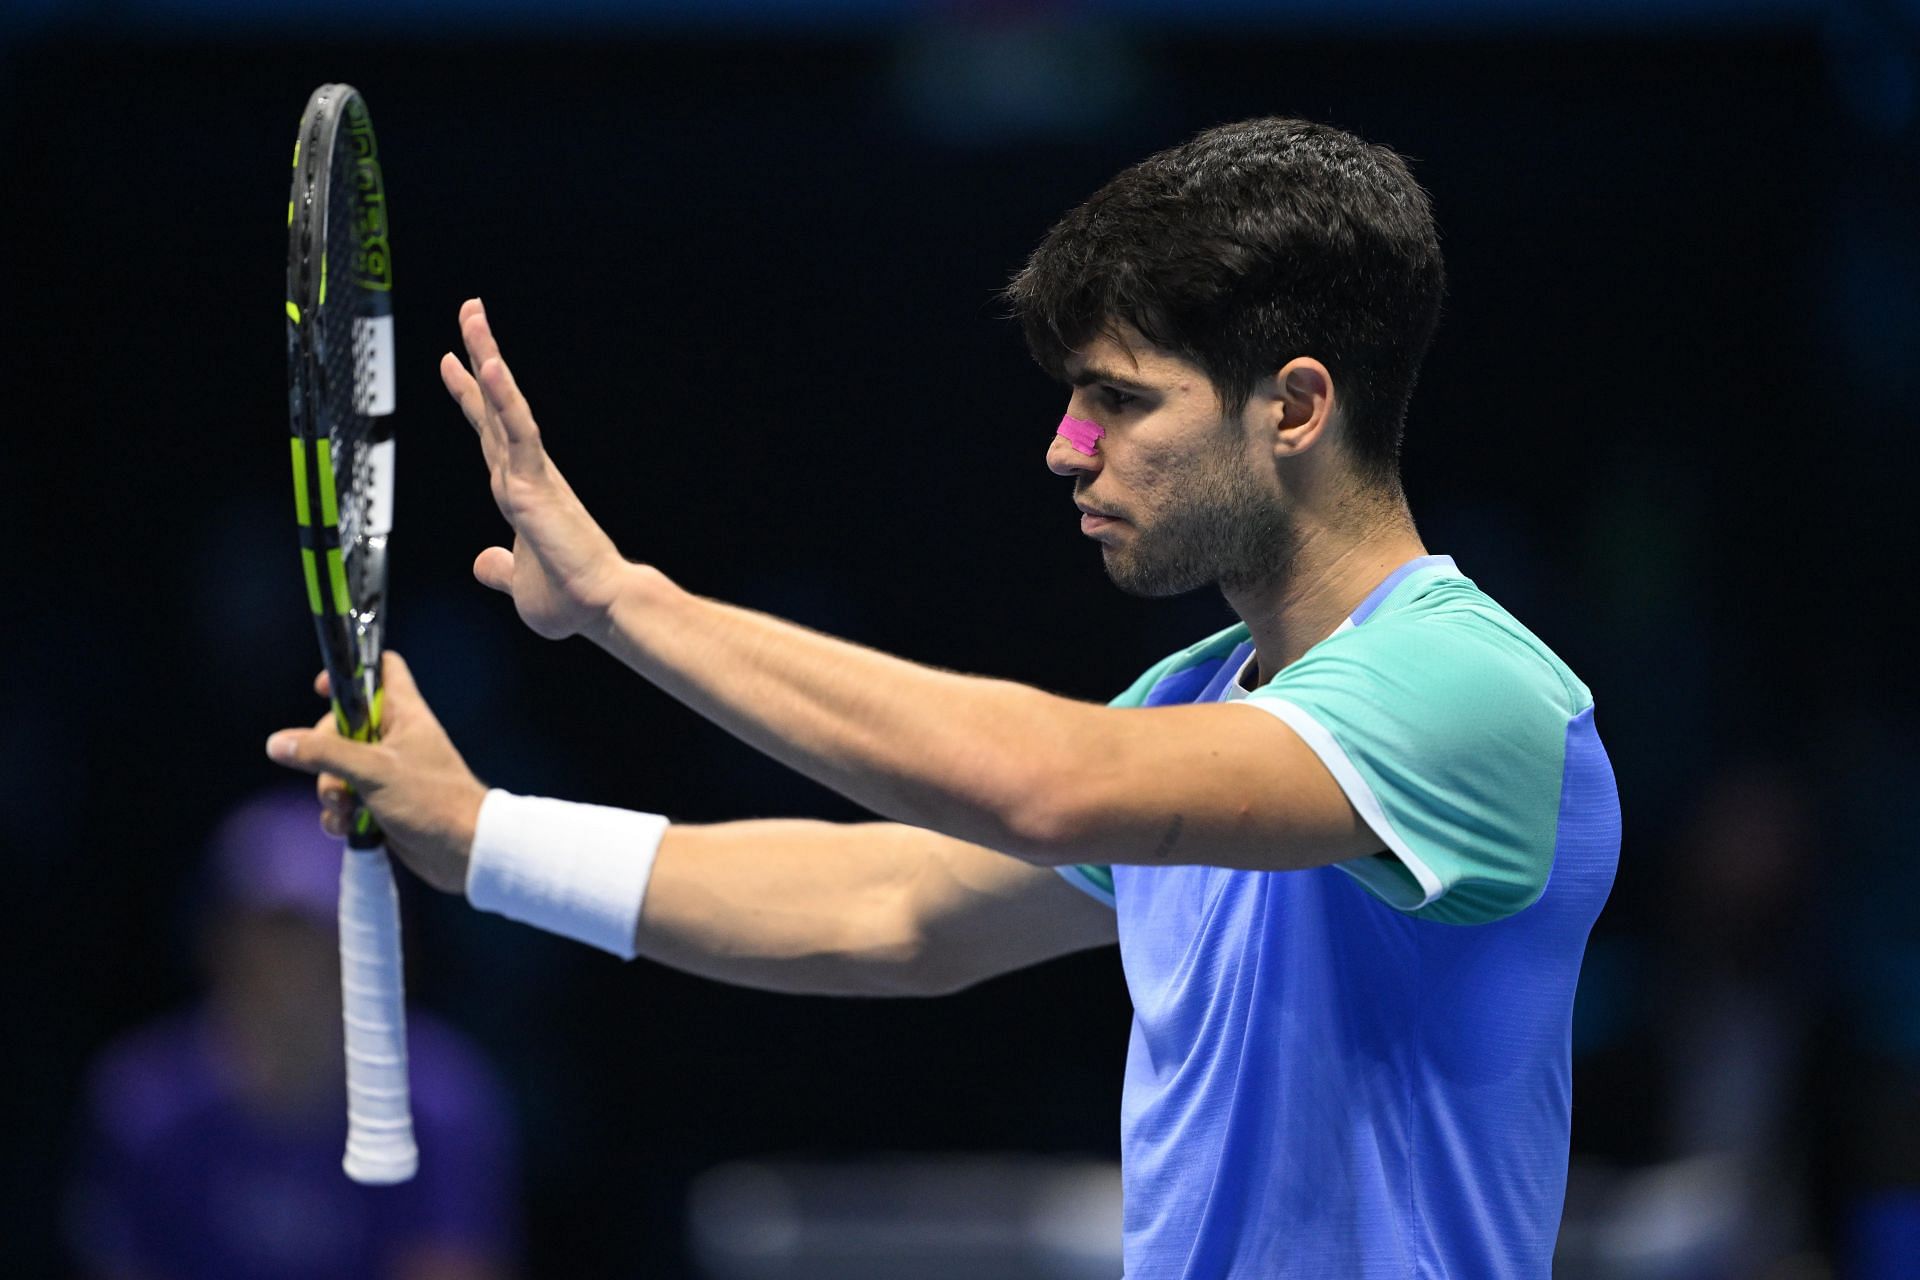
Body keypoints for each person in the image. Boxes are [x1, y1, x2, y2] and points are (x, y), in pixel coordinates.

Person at [267, 116, 1620, 1278]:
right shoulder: (1201, 710)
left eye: (1118, 401)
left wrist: (630, 606)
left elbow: (1046, 785)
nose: (1064, 447)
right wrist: (484, 837)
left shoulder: (1473, 694)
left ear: (1296, 407)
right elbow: (891, 908)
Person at [69, 790, 521, 1280]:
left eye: (323, 943)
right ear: (218, 945)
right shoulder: (146, 1103)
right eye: (271, 941)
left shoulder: (440, 1104)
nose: (294, 972)